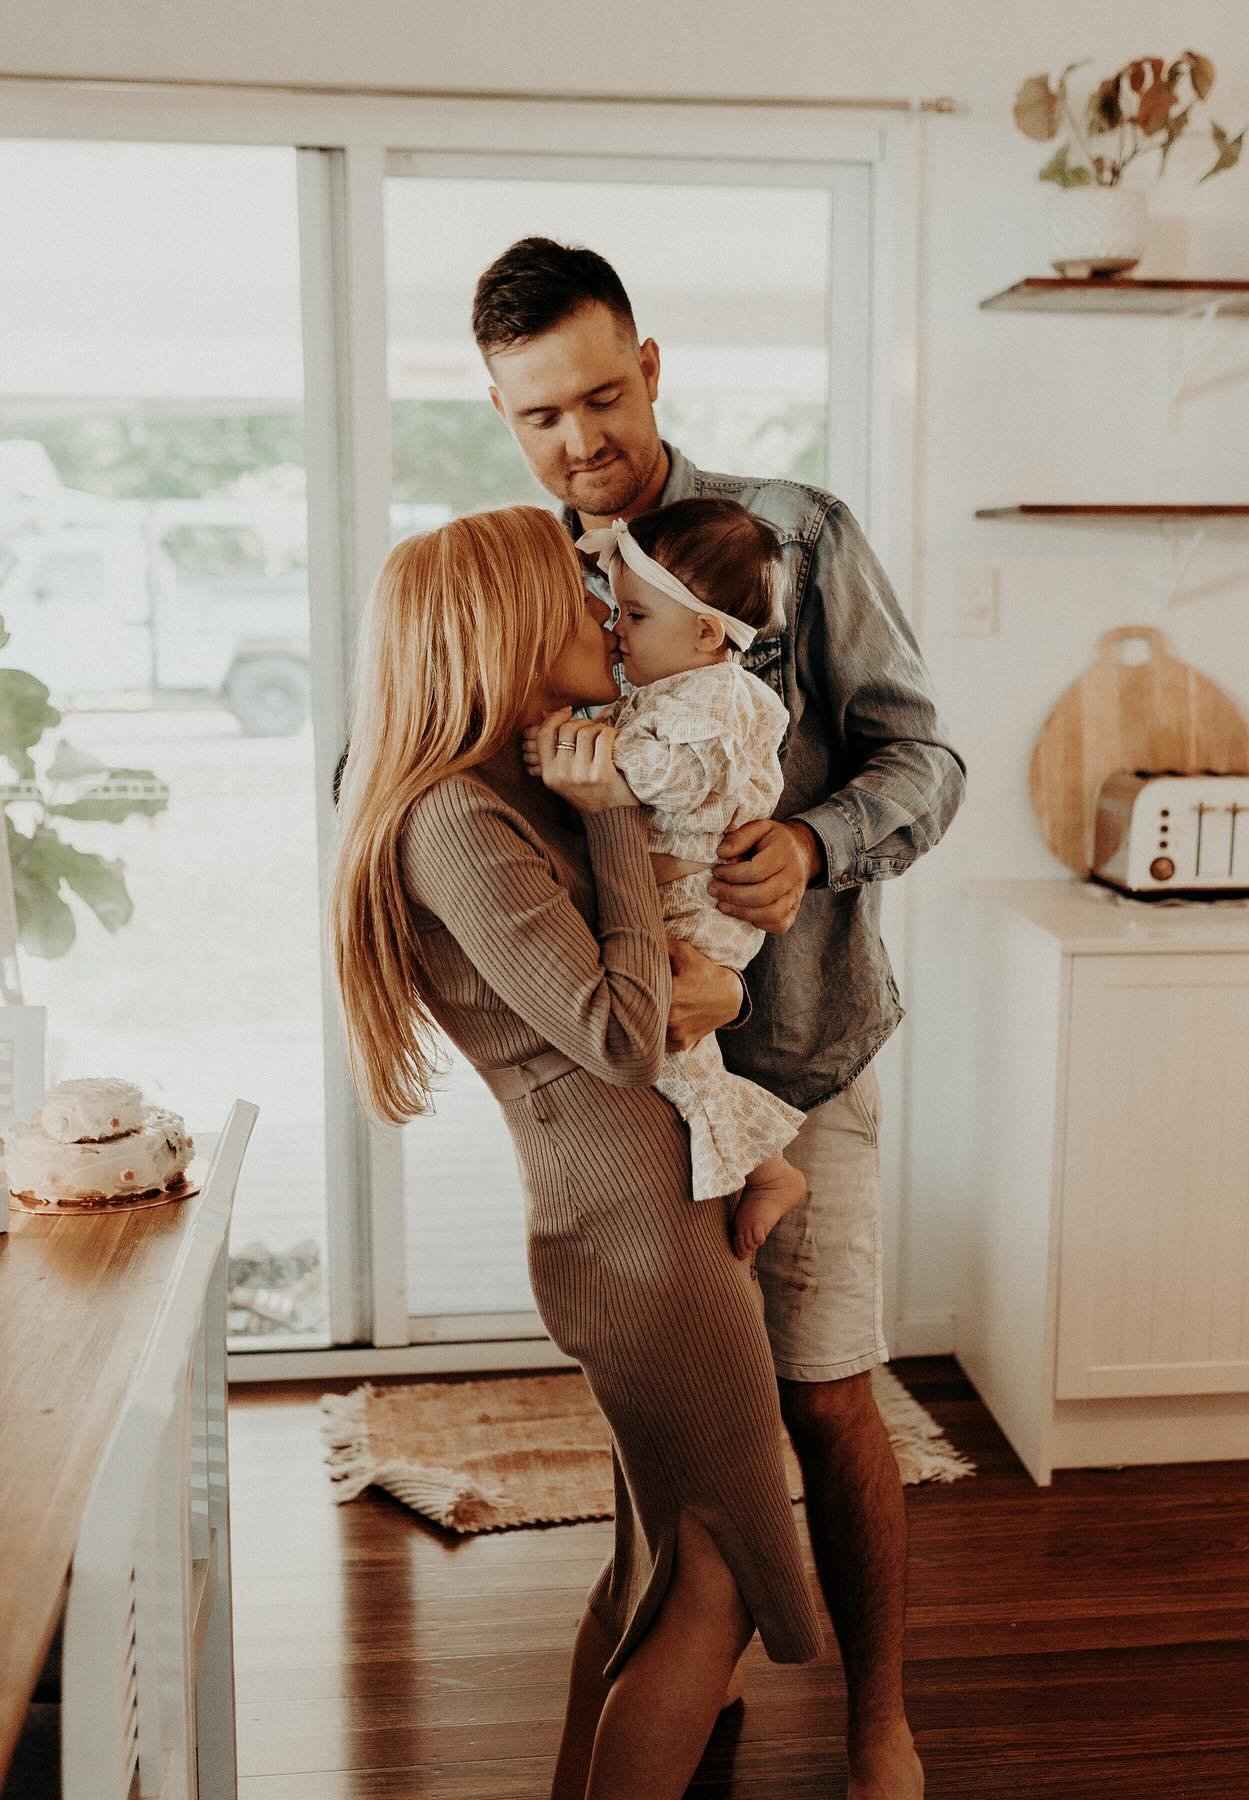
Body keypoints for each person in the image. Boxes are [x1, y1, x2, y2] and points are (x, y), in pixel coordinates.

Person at [473, 237, 965, 1800]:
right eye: (538, 415)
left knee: (824, 1398)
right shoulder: (522, 571)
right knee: (676, 1436)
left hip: (803, 1047)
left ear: (654, 365)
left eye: (602, 397)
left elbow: (923, 762)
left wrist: (815, 845)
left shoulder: (794, 537)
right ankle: (694, 1672)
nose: (579, 442)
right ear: (504, 414)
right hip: (628, 1080)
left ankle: (878, 1719)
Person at [328, 504, 823, 1800]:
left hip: (650, 1215)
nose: (605, 608)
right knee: (711, 1579)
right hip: (639, 1238)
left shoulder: (500, 788)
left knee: (655, 1570)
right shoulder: (451, 822)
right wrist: (612, 814)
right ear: (498, 628)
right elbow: (617, 1032)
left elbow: (661, 977)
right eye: (576, 591)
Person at [540, 497, 809, 1256]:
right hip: (674, 889)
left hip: (702, 902)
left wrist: (597, 761)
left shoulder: (720, 697)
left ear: (702, 630)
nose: (615, 629)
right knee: (677, 1050)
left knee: (669, 1044)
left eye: (633, 614)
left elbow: (687, 779)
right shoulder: (671, 689)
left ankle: (765, 1169)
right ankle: (760, 1168)